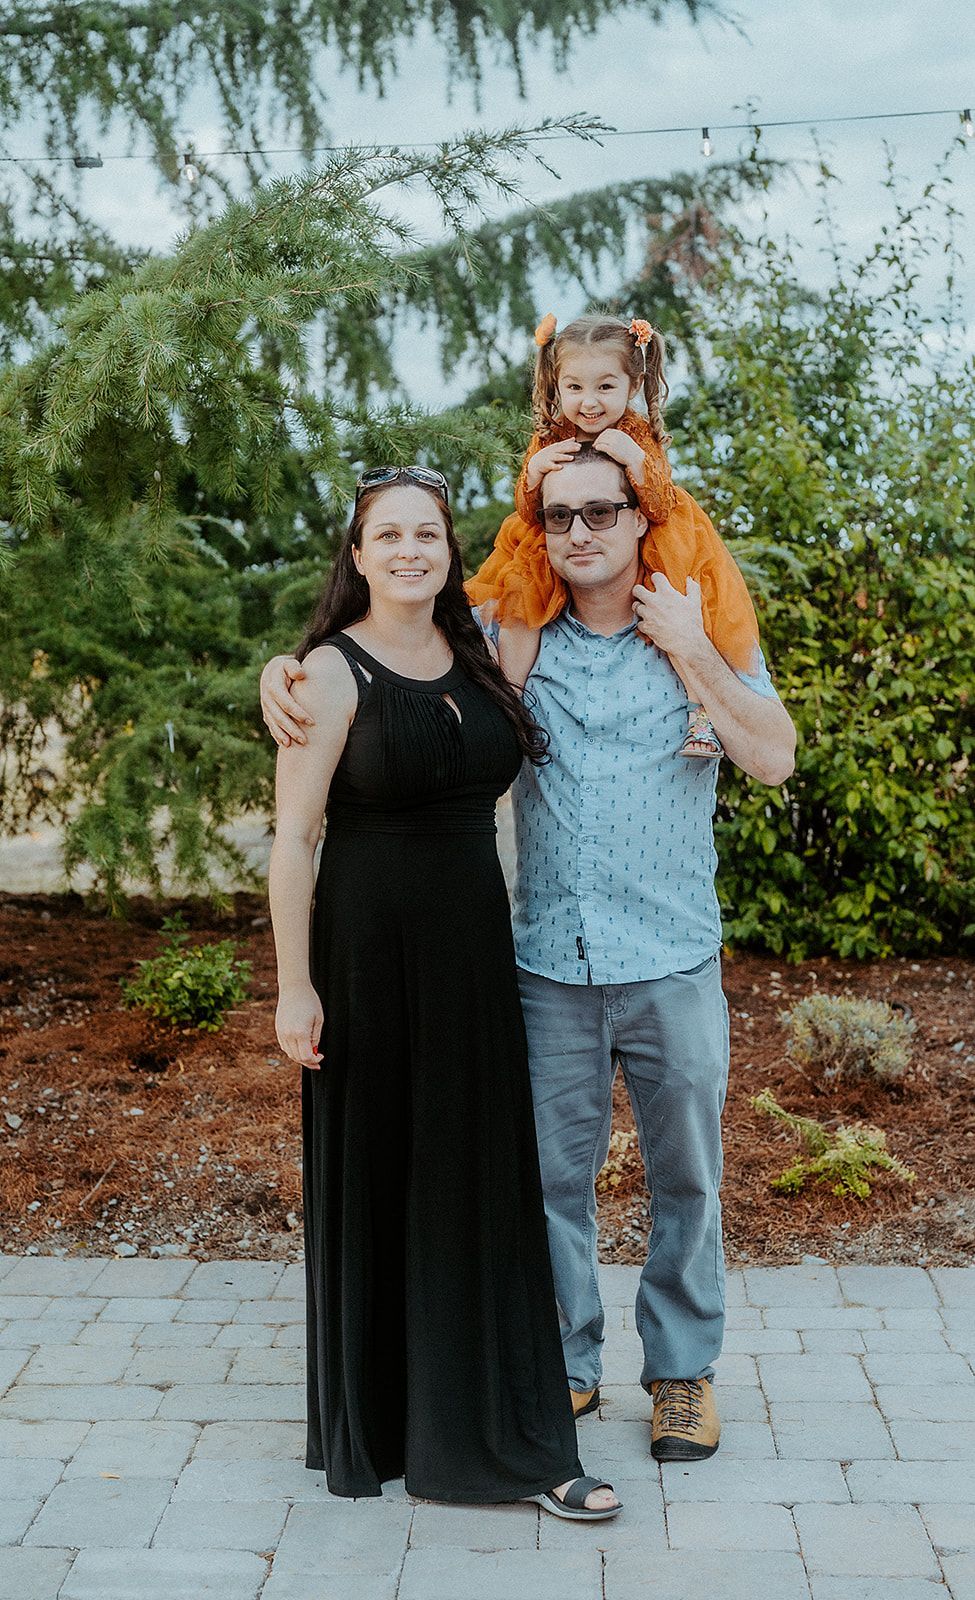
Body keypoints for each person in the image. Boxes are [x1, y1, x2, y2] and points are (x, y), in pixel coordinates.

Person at [262, 449, 796, 1465]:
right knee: (547, 1180)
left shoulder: (702, 623)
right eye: (560, 516)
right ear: (536, 533)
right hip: (548, 962)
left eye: (604, 511)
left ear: (643, 520)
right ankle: (567, 1362)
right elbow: (393, 631)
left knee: (687, 1178)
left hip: (671, 957)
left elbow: (773, 756)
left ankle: (681, 1375)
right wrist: (287, 673)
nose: (582, 531)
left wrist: (695, 653)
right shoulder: (510, 637)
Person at [267, 463, 620, 1520]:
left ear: (449, 548)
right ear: (359, 554)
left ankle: (496, 1421)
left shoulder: (478, 644)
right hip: (365, 956)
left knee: (475, 1180)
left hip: (472, 954)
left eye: (430, 533)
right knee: (381, 1173)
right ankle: (378, 1425)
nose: (413, 551)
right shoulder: (327, 673)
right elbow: (292, 841)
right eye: (390, 537)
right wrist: (294, 988)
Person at [466, 311, 765, 760]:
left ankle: (699, 713)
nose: (589, 402)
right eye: (575, 387)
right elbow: (530, 512)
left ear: (632, 385)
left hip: (649, 542)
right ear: (556, 385)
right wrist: (532, 476)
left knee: (682, 607)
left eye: (605, 387)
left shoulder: (635, 433)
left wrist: (638, 464)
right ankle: (509, 700)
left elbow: (660, 503)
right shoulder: (549, 435)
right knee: (521, 599)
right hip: (555, 536)